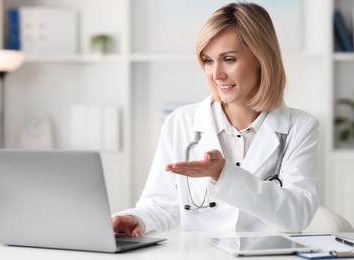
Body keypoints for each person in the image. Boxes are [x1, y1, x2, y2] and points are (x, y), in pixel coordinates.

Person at [112, 2, 319, 237]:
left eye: (229, 59)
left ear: (262, 58)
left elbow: (297, 216)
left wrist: (225, 174)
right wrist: (134, 218)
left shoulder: (300, 128)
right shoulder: (180, 123)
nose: (216, 74)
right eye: (208, 60)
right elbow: (161, 205)